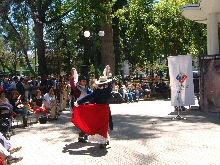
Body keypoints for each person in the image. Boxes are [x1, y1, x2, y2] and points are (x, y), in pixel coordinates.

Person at [71, 66, 113, 149]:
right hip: (104, 109)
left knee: (98, 124)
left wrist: (78, 102)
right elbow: (110, 83)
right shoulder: (108, 89)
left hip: (97, 108)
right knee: (104, 125)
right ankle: (103, 141)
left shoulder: (97, 91)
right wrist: (108, 74)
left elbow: (88, 97)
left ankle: (103, 140)